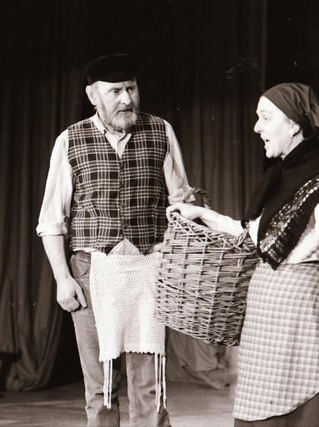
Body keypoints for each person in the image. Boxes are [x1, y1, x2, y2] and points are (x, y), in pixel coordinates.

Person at [169, 83, 319, 427]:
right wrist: (204, 216)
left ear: (294, 125)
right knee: (262, 407)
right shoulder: (283, 176)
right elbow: (254, 232)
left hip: (301, 314)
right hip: (268, 315)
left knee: (302, 408)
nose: (257, 128)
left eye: (265, 118)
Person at [36, 53, 194, 427]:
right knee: (101, 388)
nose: (126, 100)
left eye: (131, 89)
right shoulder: (70, 140)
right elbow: (51, 221)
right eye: (115, 92)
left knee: (149, 387)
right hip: (93, 272)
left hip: (149, 272)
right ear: (93, 95)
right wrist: (63, 279)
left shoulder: (160, 131)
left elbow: (181, 203)